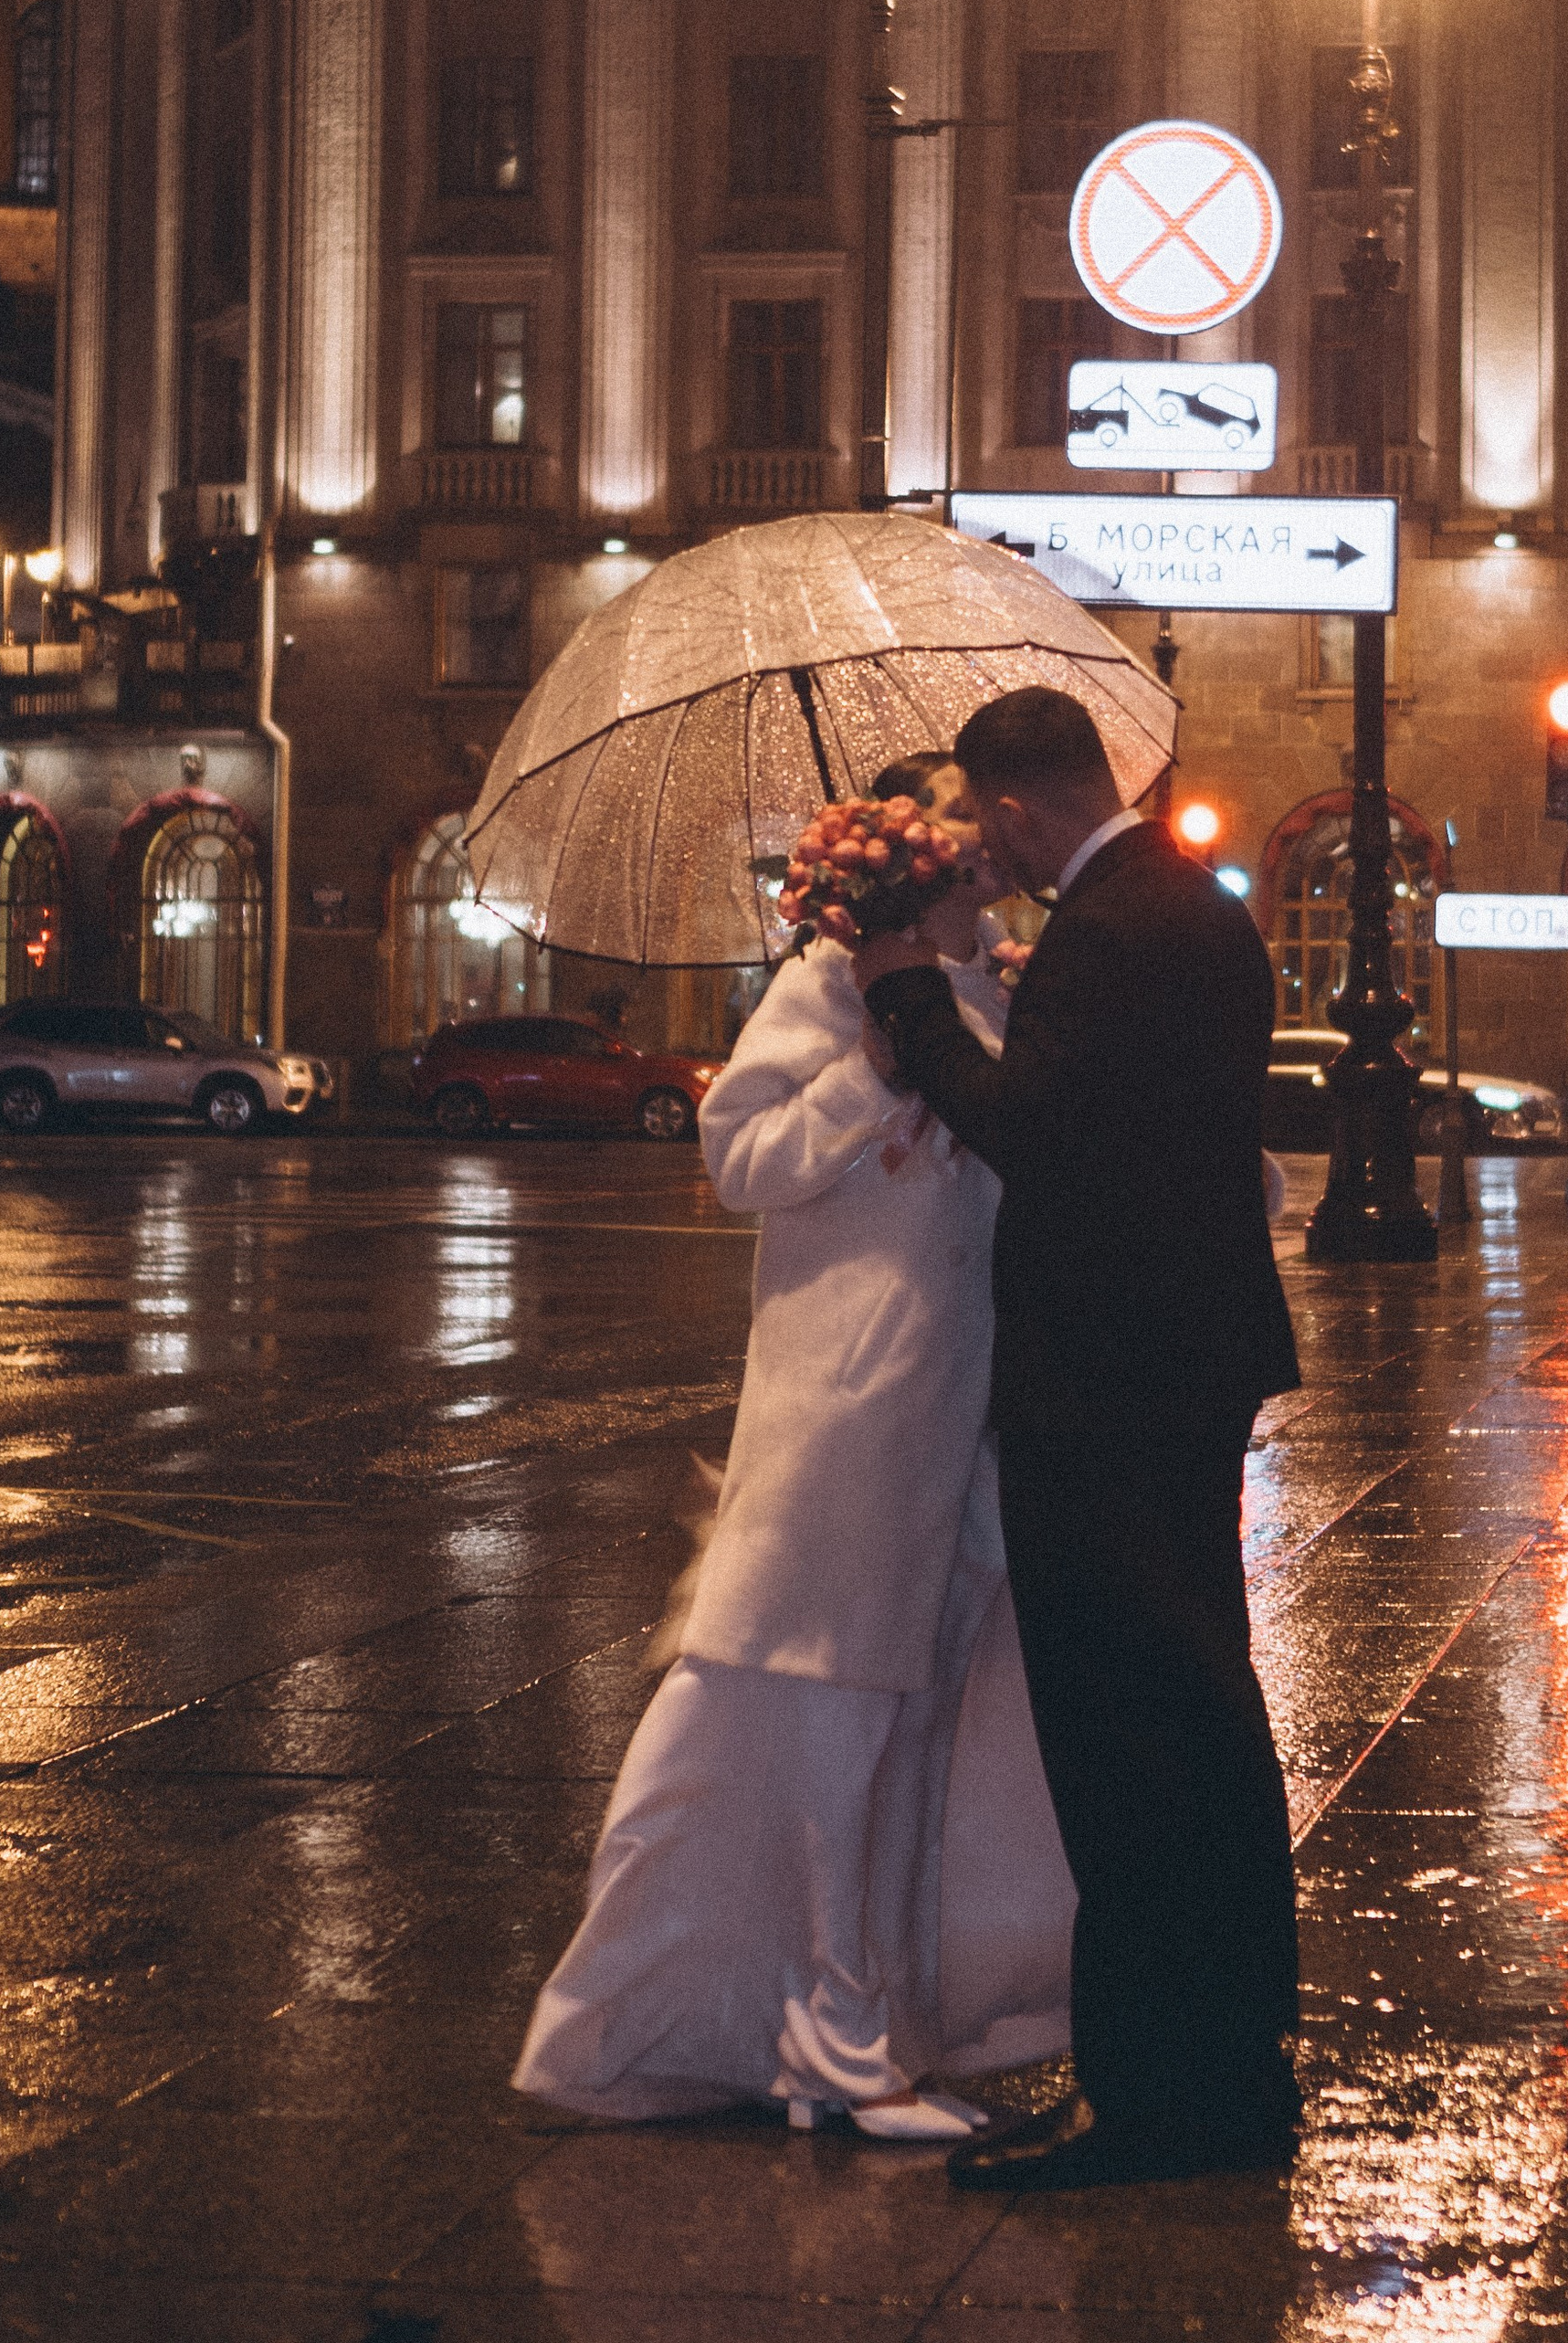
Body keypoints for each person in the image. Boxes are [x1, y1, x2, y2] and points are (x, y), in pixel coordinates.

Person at [512, 754, 1074, 2137]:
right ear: (905, 861)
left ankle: (864, 2022)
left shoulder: (1000, 990)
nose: (986, 839)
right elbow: (738, 1154)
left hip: (965, 1406)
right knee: (828, 1719)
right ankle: (836, 2046)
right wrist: (874, 1077)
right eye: (955, 812)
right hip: (847, 1412)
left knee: (910, 1722)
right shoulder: (824, 991)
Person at [857, 685, 1302, 2192]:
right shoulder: (1185, 904)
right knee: (1200, 1719)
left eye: (991, 821)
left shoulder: (1112, 929)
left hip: (1107, 1384)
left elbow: (1026, 1123)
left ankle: (1160, 2105)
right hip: (1179, 1367)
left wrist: (912, 988)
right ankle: (1231, 2072)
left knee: (1128, 1750)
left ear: (1019, 809)